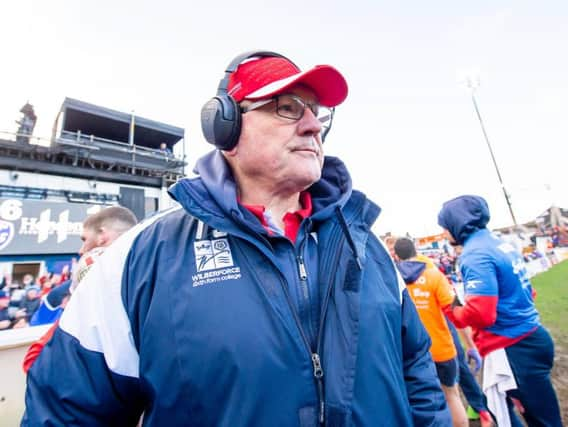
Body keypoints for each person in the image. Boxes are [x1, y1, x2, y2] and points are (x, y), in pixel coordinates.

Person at [23, 51, 451, 426]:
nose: (311, 126)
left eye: (316, 112)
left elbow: (417, 369)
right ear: (224, 129)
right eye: (287, 107)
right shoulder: (140, 258)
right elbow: (66, 411)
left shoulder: (366, 246)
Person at [439, 194, 562, 427]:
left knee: (538, 420)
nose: (445, 233)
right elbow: (529, 292)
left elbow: (482, 314)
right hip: (529, 337)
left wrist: (454, 311)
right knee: (507, 409)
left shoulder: (475, 254)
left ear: (457, 223)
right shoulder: (500, 243)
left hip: (514, 347)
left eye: (445, 227)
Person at [22, 206, 137, 373]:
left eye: (84, 239)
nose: (81, 250)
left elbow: (33, 362)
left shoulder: (71, 294)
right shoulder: (153, 287)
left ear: (103, 236)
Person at [393, 237, 469, 427]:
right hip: (441, 348)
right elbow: (455, 313)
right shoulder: (434, 275)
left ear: (397, 255)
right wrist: (471, 344)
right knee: (452, 396)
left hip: (412, 355)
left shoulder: (393, 280)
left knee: (423, 405)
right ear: (415, 251)